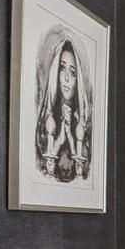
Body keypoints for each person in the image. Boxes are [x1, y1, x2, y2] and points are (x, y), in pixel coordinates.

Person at [35, 40, 91, 183]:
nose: (66, 78)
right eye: (62, 69)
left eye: (72, 72)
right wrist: (59, 141)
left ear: (77, 79)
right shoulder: (46, 119)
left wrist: (72, 142)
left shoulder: (84, 121)